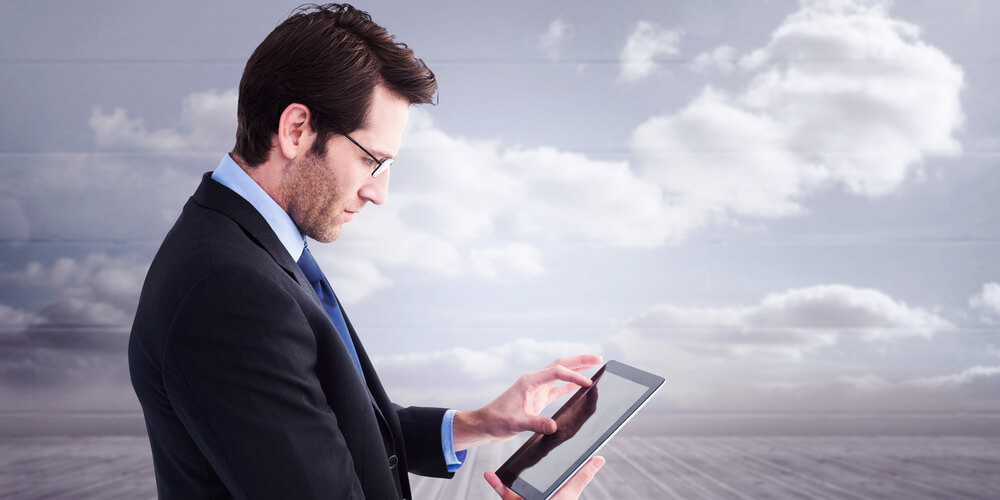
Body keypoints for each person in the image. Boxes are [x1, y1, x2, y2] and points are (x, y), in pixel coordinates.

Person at [128, 4, 605, 499]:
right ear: (296, 130)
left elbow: (336, 421)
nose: (379, 192)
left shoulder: (245, 247)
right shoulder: (230, 290)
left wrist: (478, 423)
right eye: (371, 160)